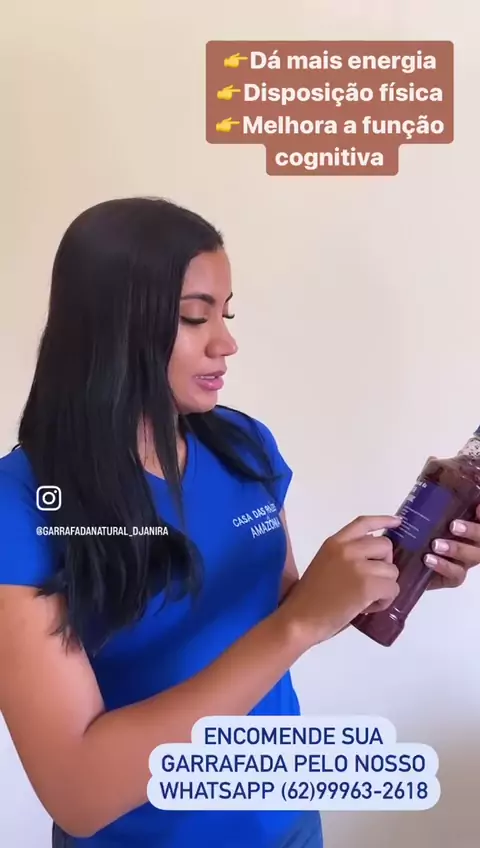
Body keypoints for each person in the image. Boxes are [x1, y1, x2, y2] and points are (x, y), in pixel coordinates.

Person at [0, 197, 479, 848]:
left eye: (225, 315)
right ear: (109, 325)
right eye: (194, 317)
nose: (226, 343)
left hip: (286, 825)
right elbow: (79, 794)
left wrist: (404, 569)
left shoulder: (243, 446)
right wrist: (297, 623)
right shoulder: (22, 506)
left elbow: (277, 613)